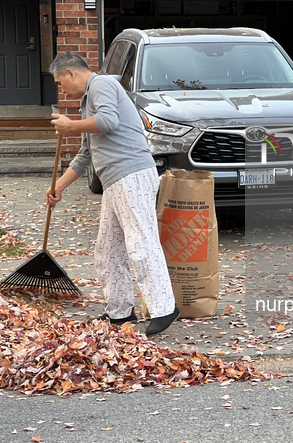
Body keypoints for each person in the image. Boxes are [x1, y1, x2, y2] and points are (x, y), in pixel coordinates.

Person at [47, 51, 179, 336]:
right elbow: (85, 156)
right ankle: (119, 312)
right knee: (107, 249)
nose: (62, 89)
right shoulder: (86, 103)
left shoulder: (103, 85)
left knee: (141, 243)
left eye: (60, 82)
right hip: (113, 183)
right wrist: (57, 186)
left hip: (131, 174)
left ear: (71, 73)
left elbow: (109, 121)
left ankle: (164, 308)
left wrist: (70, 126)